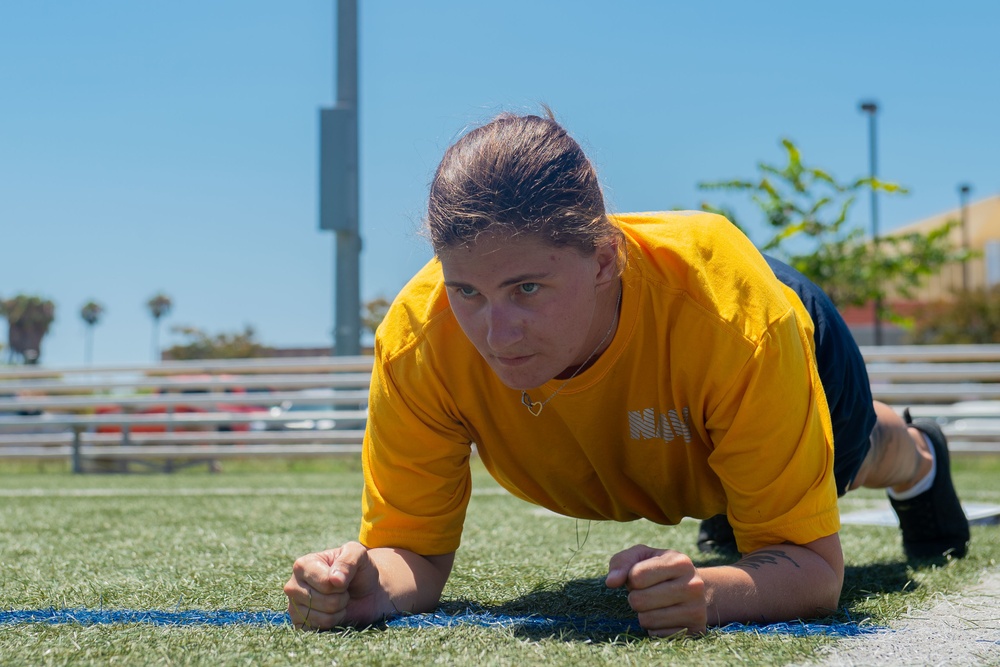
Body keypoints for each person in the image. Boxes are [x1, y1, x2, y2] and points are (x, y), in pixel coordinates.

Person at [284, 111, 970, 637]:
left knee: (850, 454)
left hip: (790, 335)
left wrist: (710, 591)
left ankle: (915, 451)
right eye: (467, 292)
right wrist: (374, 581)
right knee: (736, 520)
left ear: (606, 260)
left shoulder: (737, 322)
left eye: (527, 289)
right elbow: (413, 554)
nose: (495, 335)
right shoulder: (419, 342)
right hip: (695, 419)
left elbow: (813, 570)